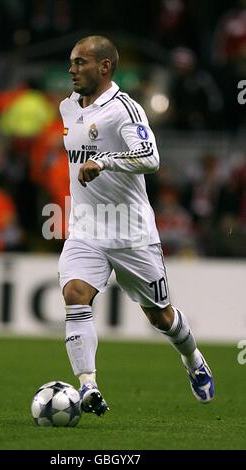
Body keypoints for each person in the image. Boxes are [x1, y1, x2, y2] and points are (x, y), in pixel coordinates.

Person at [58, 35, 214, 416]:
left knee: (160, 316)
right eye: (72, 62)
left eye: (80, 63)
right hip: (86, 227)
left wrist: (104, 161)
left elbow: (151, 157)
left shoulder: (124, 109)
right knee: (75, 293)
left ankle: (193, 359)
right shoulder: (66, 107)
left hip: (130, 231)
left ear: (104, 66)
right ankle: (88, 387)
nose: (72, 69)